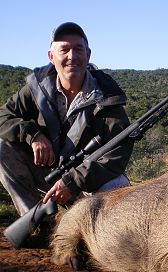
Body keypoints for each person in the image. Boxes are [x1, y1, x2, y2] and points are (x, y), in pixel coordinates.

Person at [0, 22, 133, 218]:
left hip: (87, 182)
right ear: (51, 57)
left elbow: (116, 156)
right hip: (46, 173)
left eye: (78, 49)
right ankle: (35, 223)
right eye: (64, 49)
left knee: (118, 185)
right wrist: (33, 135)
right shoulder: (35, 88)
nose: (72, 56)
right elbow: (3, 116)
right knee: (2, 147)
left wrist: (73, 181)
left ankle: (92, 233)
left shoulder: (108, 97)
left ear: (88, 55)